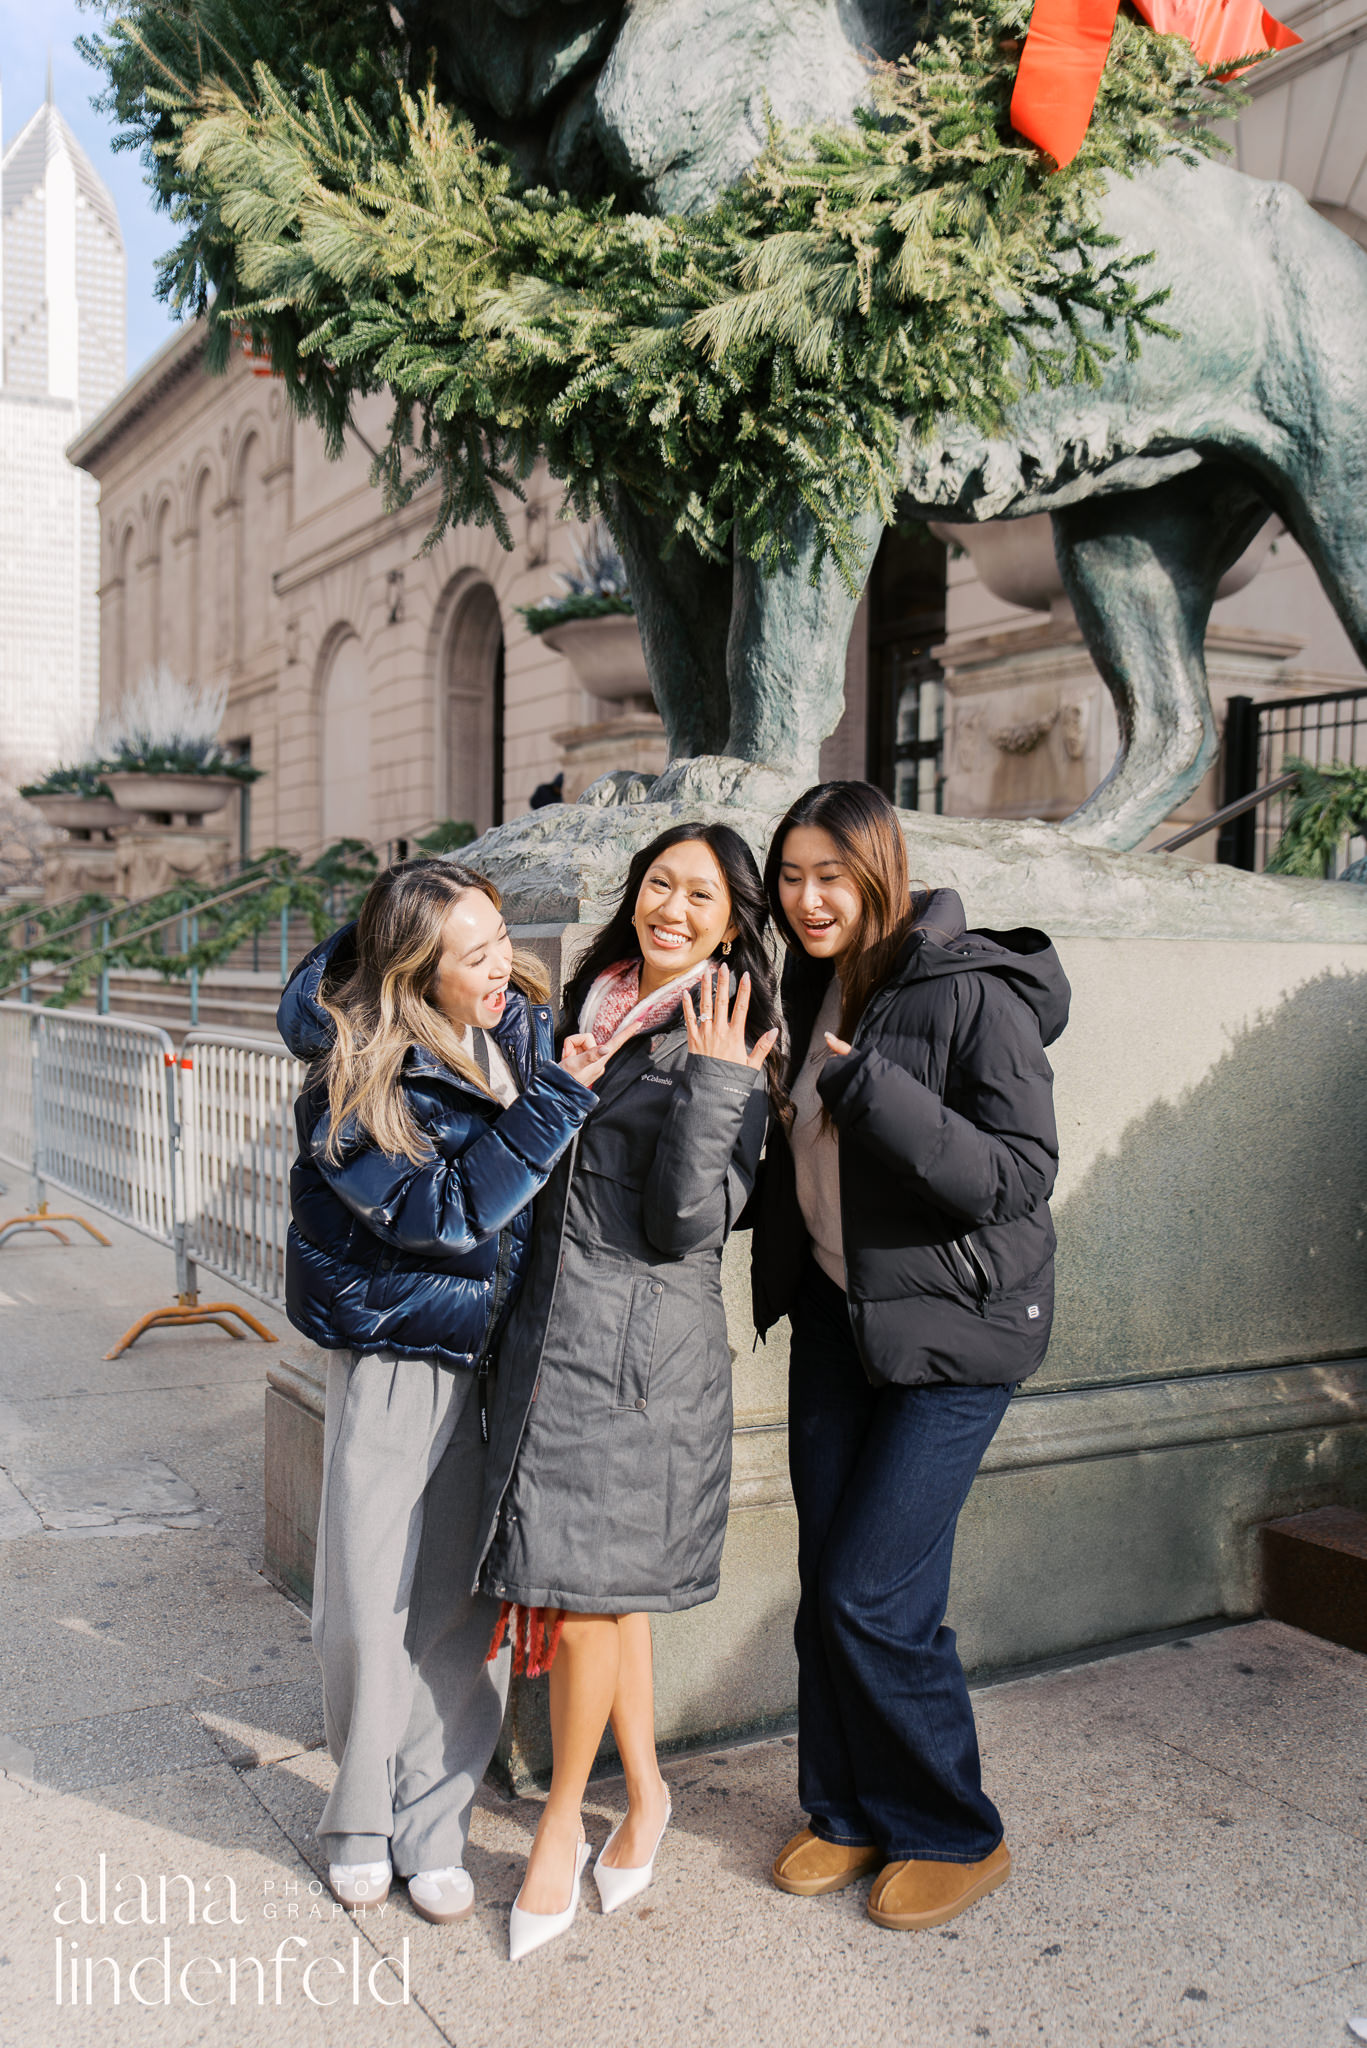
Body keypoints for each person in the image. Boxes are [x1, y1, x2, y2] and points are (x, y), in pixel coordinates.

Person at [277, 858, 622, 1926]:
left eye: (498, 937)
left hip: (494, 1357)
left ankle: (432, 1818)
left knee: (453, 1602)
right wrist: (560, 1096)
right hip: (394, 1355)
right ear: (415, 971)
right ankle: (357, 1814)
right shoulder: (346, 1081)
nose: (501, 967)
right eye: (473, 955)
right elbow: (443, 1213)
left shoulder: (515, 1030)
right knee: (366, 1600)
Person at [750, 780, 1070, 1932]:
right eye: (788, 876)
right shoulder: (803, 978)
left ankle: (952, 1827)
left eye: (829, 874)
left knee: (867, 1590)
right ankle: (844, 1807)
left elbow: (1014, 1173)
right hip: (843, 1316)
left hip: (958, 1332)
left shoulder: (969, 988)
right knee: (831, 1579)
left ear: (881, 868)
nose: (806, 898)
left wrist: (867, 1087)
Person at [474, 822, 779, 1961]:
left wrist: (712, 1082)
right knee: (608, 1592)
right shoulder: (587, 1010)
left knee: (591, 1592)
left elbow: (686, 1227)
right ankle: (646, 1793)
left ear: (732, 922)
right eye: (661, 883)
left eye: (702, 894)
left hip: (640, 1361)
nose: (674, 908)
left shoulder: (730, 1038)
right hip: (557, 1340)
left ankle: (561, 1818)